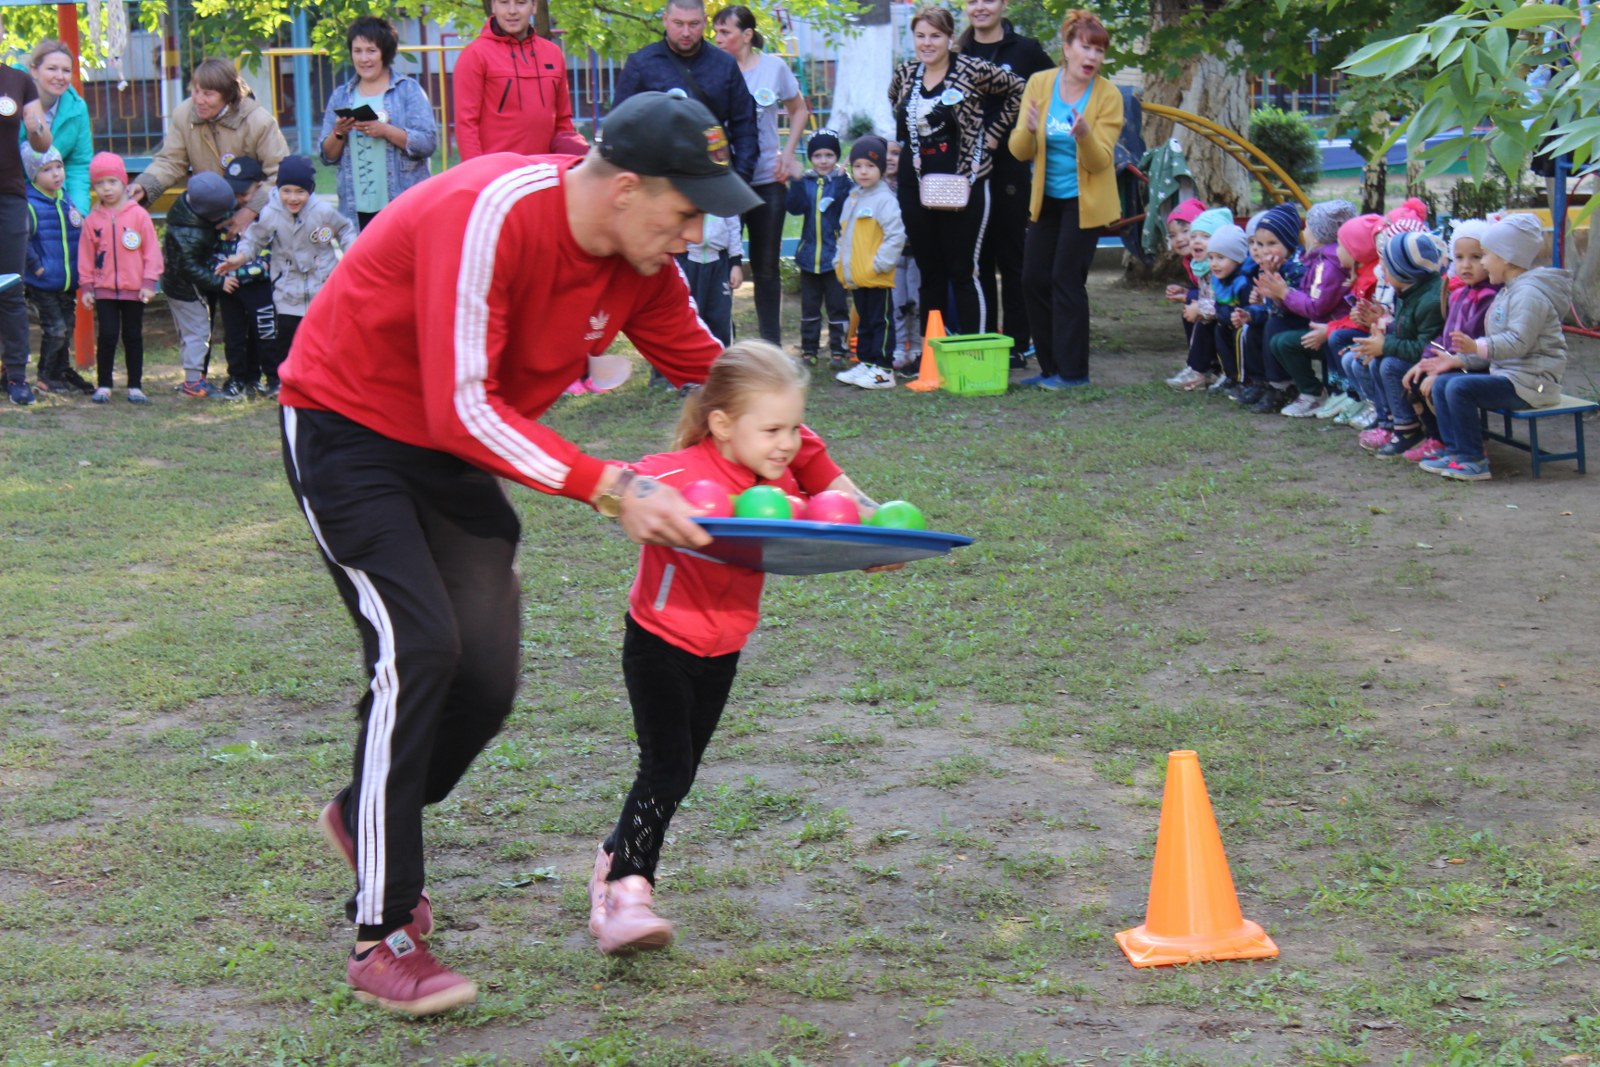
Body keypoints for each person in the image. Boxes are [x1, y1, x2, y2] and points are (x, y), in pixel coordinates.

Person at [277, 90, 762, 1015]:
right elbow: (460, 404)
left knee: (486, 682)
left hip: (454, 449)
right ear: (626, 188)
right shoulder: (489, 213)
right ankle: (383, 931)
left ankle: (362, 813)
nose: (696, 233)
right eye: (686, 209)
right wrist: (613, 485)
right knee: (419, 650)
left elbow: (722, 378)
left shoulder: (641, 261)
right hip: (349, 427)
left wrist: (826, 487)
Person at [587, 340, 885, 954]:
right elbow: (616, 479)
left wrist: (878, 542)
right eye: (772, 430)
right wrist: (623, 498)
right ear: (722, 425)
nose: (788, 443)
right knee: (666, 768)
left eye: (795, 428)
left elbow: (839, 515)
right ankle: (627, 892)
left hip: (723, 648)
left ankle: (616, 856)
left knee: (678, 774)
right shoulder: (681, 470)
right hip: (659, 641)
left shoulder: (781, 482)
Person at [891, 7, 1024, 340]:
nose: (927, 43)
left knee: (963, 270)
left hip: (964, 181)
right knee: (930, 271)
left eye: (935, 36)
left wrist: (993, 134)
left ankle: (973, 352)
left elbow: (1019, 89)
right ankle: (932, 354)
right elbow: (896, 102)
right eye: (920, 36)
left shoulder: (971, 69)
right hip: (915, 182)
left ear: (950, 37)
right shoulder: (906, 72)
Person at [1007, 9, 1119, 390]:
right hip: (1047, 198)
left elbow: (1100, 162)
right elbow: (1019, 150)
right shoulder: (1040, 84)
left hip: (1086, 202)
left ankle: (1074, 373)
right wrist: (1029, 129)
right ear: (1067, 49)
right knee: (1033, 278)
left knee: (1065, 278)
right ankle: (1050, 367)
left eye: (1099, 51)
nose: (1092, 57)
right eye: (1086, 48)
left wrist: (1085, 134)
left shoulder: (1108, 96)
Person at [1419, 213, 1568, 482]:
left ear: (1506, 257)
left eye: (1486, 254)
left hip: (1534, 384)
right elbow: (1496, 350)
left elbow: (1517, 343)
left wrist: (1474, 346)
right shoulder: (1509, 291)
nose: (1484, 262)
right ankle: (1456, 451)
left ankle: (1474, 459)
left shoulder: (1528, 295)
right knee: (1444, 383)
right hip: (1512, 377)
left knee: (1459, 388)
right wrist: (1459, 360)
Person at [957, 0, 1054, 367]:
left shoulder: (1026, 51)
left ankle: (1017, 343)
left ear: (1004, 4)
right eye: (972, 1)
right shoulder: (957, 52)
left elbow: (1056, 92)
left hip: (1011, 168)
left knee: (1013, 258)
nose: (980, 7)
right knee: (977, 259)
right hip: (966, 171)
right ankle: (984, 340)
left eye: (989, 0)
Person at [216, 156, 357, 398]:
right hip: (287, 287)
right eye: (287, 191)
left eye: (300, 192)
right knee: (286, 337)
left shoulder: (322, 211)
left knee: (322, 336)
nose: (293, 198)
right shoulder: (271, 213)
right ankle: (286, 383)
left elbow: (345, 229)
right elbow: (254, 238)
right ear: (279, 190)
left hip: (320, 283)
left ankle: (325, 382)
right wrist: (240, 258)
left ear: (310, 190)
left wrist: (352, 253)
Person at [712, 5, 807, 345]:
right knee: (721, 264)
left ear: (747, 35)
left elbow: (799, 109)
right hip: (725, 183)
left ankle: (771, 347)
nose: (717, 38)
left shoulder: (773, 67)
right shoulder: (712, 68)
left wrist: (788, 153)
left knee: (766, 267)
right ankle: (723, 344)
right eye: (716, 32)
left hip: (768, 180)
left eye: (725, 32)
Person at [130, 59, 287, 240]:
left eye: (208, 94)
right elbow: (171, 161)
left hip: (255, 214)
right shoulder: (184, 114)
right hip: (206, 210)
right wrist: (145, 186)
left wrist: (251, 210)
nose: (199, 100)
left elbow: (280, 174)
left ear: (227, 95)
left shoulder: (259, 122)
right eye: (196, 91)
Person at [616, 0, 759, 186]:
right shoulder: (641, 64)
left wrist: (740, 179)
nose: (685, 32)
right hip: (658, 181)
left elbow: (745, 127)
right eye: (678, 23)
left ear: (705, 21)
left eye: (693, 24)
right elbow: (620, 126)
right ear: (665, 20)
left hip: (714, 178)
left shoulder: (725, 65)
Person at [319, 16, 440, 230]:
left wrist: (386, 131)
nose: (364, 58)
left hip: (402, 206)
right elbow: (326, 157)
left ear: (385, 52)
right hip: (355, 212)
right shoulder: (341, 96)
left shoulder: (408, 90)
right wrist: (339, 132)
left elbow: (428, 143)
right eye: (357, 51)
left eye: (371, 51)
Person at [1399, 219, 1499, 463]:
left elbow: (1475, 344)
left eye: (1476, 257)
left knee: (1442, 384)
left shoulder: (1488, 298)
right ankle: (1439, 438)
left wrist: (1441, 369)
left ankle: (1459, 444)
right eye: (1459, 257)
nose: (1466, 265)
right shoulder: (1458, 294)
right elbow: (1445, 336)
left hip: (1476, 363)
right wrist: (1426, 360)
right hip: (1453, 360)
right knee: (1415, 379)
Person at [1347, 230, 1445, 455]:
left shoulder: (1429, 300)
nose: (1382, 269)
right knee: (1374, 360)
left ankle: (1407, 428)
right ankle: (1389, 422)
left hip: (1433, 362)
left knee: (1390, 365)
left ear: (1404, 271)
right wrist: (1380, 326)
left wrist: (1385, 345)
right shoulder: (1409, 290)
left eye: (1387, 266)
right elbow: (1405, 330)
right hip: (1417, 357)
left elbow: (1425, 347)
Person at [78, 152, 161, 404]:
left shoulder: (139, 215)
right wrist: (87, 286)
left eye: (112, 182)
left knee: (133, 336)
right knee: (107, 335)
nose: (107, 189)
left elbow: (151, 251)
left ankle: (135, 386)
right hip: (104, 290)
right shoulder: (92, 220)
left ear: (124, 182)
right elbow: (86, 255)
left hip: (134, 289)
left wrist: (149, 281)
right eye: (100, 184)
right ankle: (104, 385)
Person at [1269, 198, 1356, 418]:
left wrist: (1285, 293)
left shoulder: (1329, 265)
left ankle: (1315, 394)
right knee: (1279, 340)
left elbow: (1316, 306)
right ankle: (1319, 392)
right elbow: (1309, 295)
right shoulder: (1319, 259)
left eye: (1307, 227)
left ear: (1317, 235)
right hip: (1328, 328)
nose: (1304, 232)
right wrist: (1279, 295)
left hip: (1336, 332)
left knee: (1285, 342)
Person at [1, 36, 53, 406]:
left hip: (8, 196)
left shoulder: (18, 81)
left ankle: (17, 376)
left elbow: (41, 144)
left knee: (9, 286)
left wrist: (35, 127)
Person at [832, 136, 905, 390]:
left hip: (876, 275)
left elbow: (895, 235)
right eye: (858, 166)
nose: (863, 171)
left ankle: (884, 369)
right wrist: (839, 262)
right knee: (864, 321)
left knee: (880, 321)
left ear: (881, 169)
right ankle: (867, 362)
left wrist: (880, 264)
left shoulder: (885, 200)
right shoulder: (853, 197)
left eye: (870, 166)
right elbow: (844, 234)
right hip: (857, 275)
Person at [161, 172, 237, 398]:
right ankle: (193, 383)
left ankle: (194, 378)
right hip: (186, 290)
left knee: (191, 332)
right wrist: (219, 282)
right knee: (198, 332)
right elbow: (189, 268)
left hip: (178, 286)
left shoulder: (187, 213)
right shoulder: (188, 234)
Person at [24, 147, 92, 396]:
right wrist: (36, 267)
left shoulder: (66, 199)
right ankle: (45, 376)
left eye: (59, 167)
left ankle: (62, 371)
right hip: (43, 282)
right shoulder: (30, 204)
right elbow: (24, 240)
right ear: (34, 175)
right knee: (55, 329)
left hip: (66, 280)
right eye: (47, 170)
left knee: (67, 327)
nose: (56, 174)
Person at [784, 129, 851, 367]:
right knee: (810, 308)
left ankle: (838, 350)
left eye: (829, 155)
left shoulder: (843, 182)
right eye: (818, 156)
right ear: (811, 158)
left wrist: (841, 182)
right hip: (809, 257)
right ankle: (809, 350)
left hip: (834, 258)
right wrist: (796, 180)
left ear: (837, 157)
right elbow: (795, 207)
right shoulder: (806, 182)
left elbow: (845, 208)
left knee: (837, 307)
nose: (823, 161)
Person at [211, 157, 277, 398]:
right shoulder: (222, 216)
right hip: (229, 286)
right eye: (235, 193)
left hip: (260, 286)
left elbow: (272, 253)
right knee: (234, 336)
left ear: (259, 187)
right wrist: (221, 275)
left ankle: (272, 378)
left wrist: (245, 270)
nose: (239, 199)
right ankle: (237, 379)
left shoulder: (269, 216)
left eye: (245, 194)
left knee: (266, 333)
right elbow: (213, 250)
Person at [20, 39, 92, 214]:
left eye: (66, 71)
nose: (60, 76)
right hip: (13, 197)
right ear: (34, 71)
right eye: (52, 69)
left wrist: (78, 212)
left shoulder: (77, 109)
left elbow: (78, 166)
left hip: (55, 202)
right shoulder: (10, 97)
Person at [1165, 206, 1230, 390]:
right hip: (1217, 308)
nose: (1180, 239)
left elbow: (1220, 296)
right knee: (1190, 313)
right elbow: (1205, 291)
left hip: (1230, 312)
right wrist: (1189, 294)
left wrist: (1191, 298)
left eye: (1186, 231)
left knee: (1200, 317)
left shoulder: (1219, 263)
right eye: (1173, 235)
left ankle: (1199, 369)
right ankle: (1203, 366)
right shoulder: (1197, 262)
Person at [679, 211, 743, 347]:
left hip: (719, 263)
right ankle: (690, 355)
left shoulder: (726, 198)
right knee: (689, 315)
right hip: (688, 261)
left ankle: (723, 355)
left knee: (720, 316)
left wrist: (735, 262)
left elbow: (734, 226)